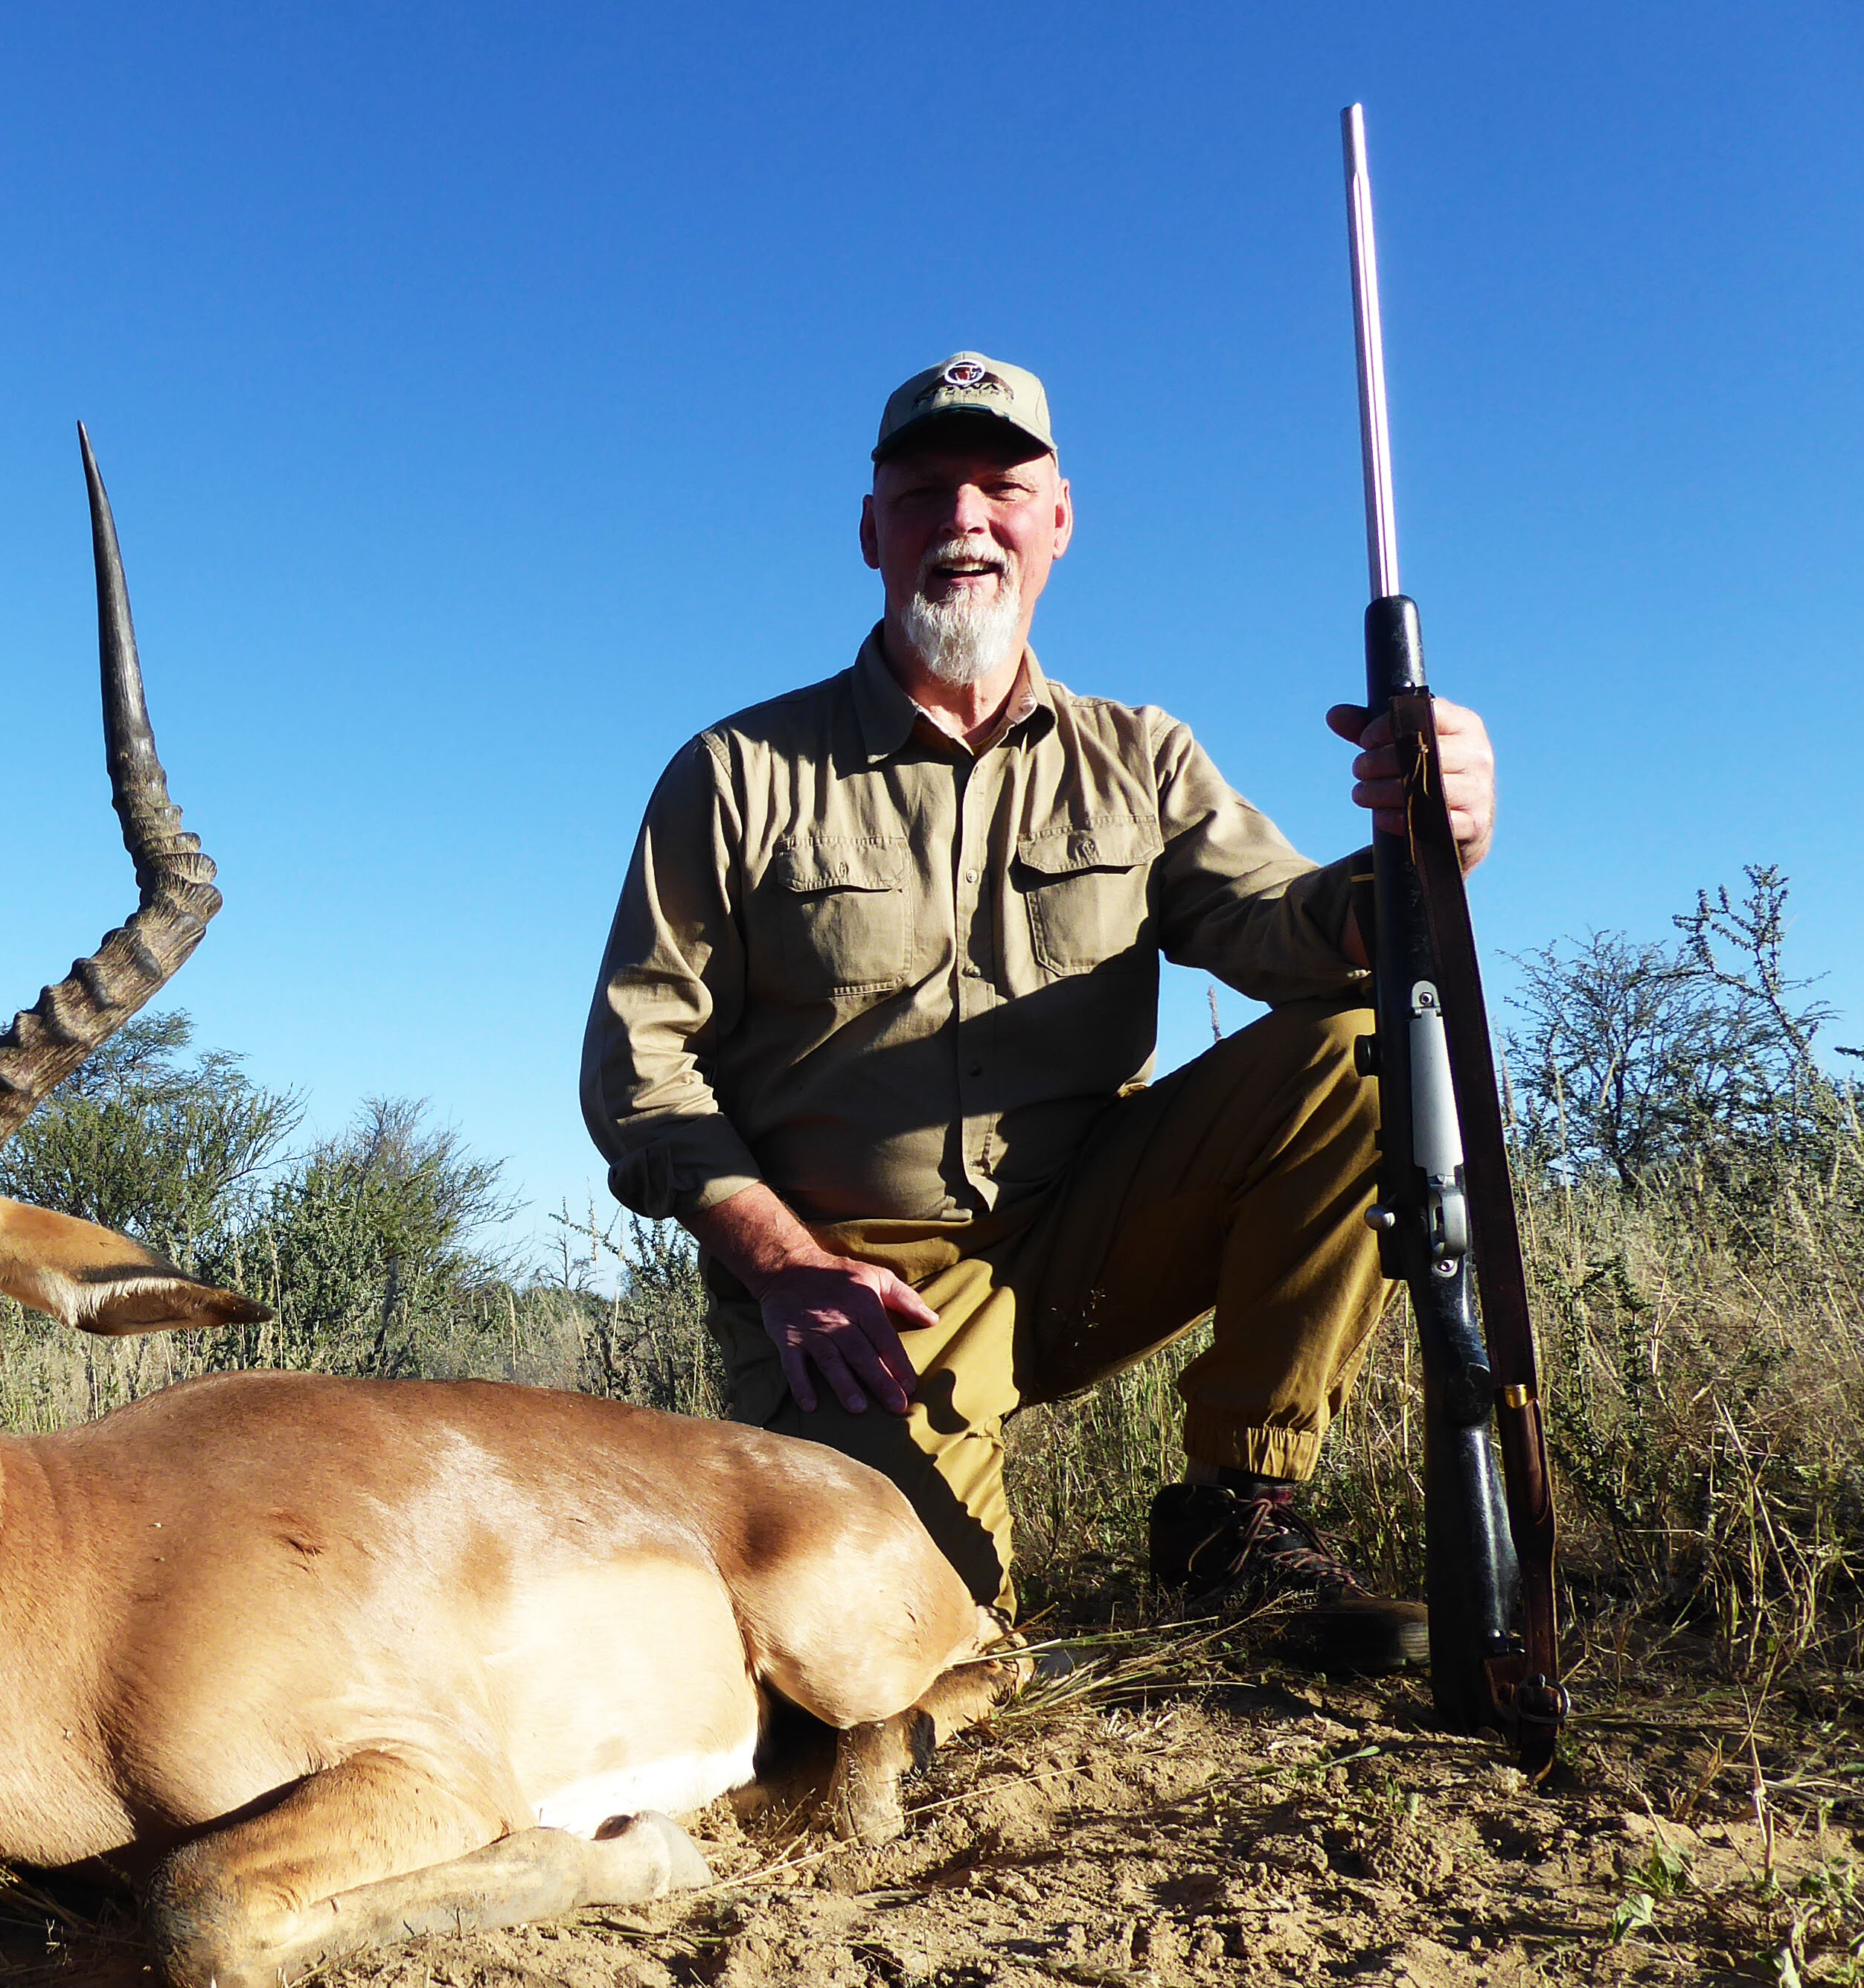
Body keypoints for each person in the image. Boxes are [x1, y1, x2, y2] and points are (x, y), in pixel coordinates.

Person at [580, 351, 1499, 1669]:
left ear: (1057, 521)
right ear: (870, 531)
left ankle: (1235, 1515)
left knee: (1363, 1053)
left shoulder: (1145, 757)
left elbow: (1292, 933)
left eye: (1001, 487)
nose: (964, 520)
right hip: (857, 1295)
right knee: (923, 1642)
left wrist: (1422, 855)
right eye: (923, 492)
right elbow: (639, 1065)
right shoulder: (735, 773)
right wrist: (784, 1268)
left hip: (1085, 1234)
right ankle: (919, 1535)